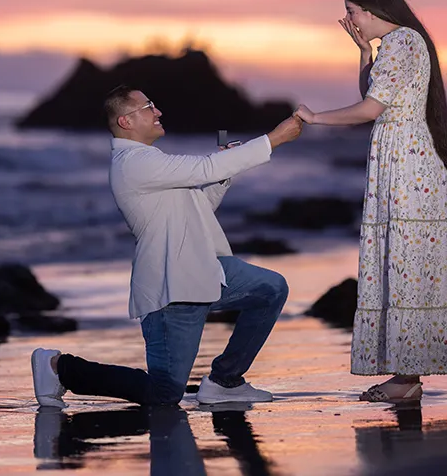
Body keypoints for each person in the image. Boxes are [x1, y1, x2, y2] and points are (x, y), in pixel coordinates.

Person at [31, 85, 303, 408]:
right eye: (148, 107)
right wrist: (275, 138)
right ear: (126, 122)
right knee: (164, 394)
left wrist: (222, 177)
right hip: (172, 289)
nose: (157, 111)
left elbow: (197, 205)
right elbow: (204, 167)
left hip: (205, 271)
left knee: (271, 288)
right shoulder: (132, 164)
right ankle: (58, 368)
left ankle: (225, 382)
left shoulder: (150, 160)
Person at [295, 0, 447, 403]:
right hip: (403, 161)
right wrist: (363, 52)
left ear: (371, 10)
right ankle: (407, 375)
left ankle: (407, 379)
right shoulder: (399, 44)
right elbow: (375, 91)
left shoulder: (404, 42)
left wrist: (316, 118)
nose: (349, 20)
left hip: (407, 165)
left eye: (352, 12)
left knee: (406, 261)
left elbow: (370, 108)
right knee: (403, 262)